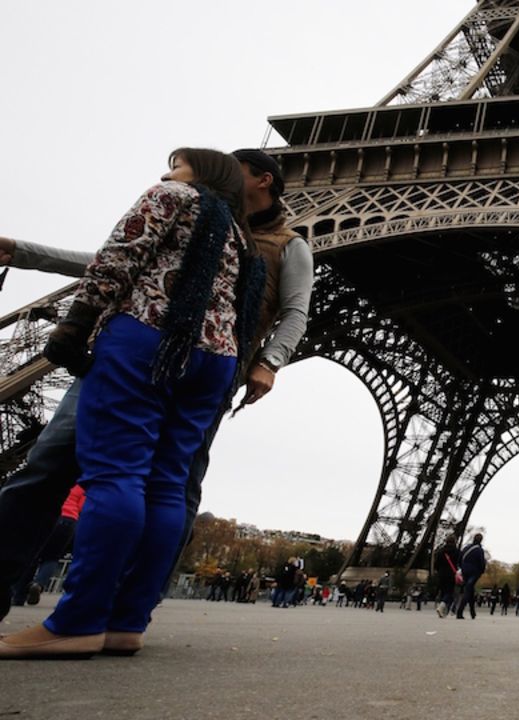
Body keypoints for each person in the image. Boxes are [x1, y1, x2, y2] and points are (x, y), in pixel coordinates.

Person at [0, 147, 313, 625]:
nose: (167, 173)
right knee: (55, 464)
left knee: (165, 483)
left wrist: (269, 361)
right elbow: (117, 257)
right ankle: (98, 607)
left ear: (263, 179)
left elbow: (293, 310)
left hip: (172, 359)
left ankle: (123, 608)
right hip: (175, 358)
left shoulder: (281, 242)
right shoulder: (214, 217)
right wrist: (25, 252)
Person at [9, 486, 83, 610]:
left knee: (33, 555)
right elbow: (82, 507)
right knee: (52, 557)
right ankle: (39, 584)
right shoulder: (82, 485)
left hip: (50, 515)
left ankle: (19, 596)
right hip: (70, 520)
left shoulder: (59, 479)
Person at [456, 534, 486, 620]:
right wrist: (481, 571)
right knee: (468, 590)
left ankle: (473, 612)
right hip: (474, 572)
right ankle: (460, 611)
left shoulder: (466, 548)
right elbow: (482, 562)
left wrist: (462, 568)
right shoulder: (479, 550)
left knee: (470, 590)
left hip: (465, 571)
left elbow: (460, 559)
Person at [435, 539, 461, 618]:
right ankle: (442, 606)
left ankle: (443, 610)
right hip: (452, 574)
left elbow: (436, 564)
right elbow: (460, 563)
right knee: (449, 592)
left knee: (443, 591)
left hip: (441, 573)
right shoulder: (457, 552)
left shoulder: (441, 551)